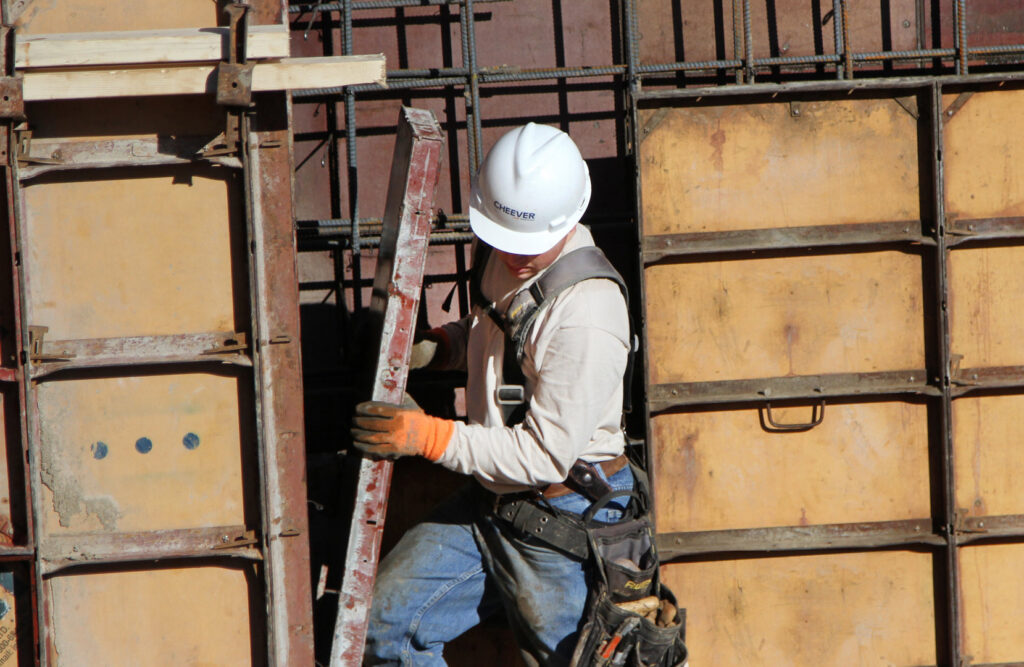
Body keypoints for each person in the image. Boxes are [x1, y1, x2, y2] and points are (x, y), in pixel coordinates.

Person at [351, 122, 633, 666]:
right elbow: (500, 328)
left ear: (570, 217)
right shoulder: (511, 252)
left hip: (566, 512)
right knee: (381, 624)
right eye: (504, 241)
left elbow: (543, 456)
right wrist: (444, 348)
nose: (514, 258)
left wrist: (427, 436)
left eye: (528, 246)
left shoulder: (589, 316)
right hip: (492, 498)